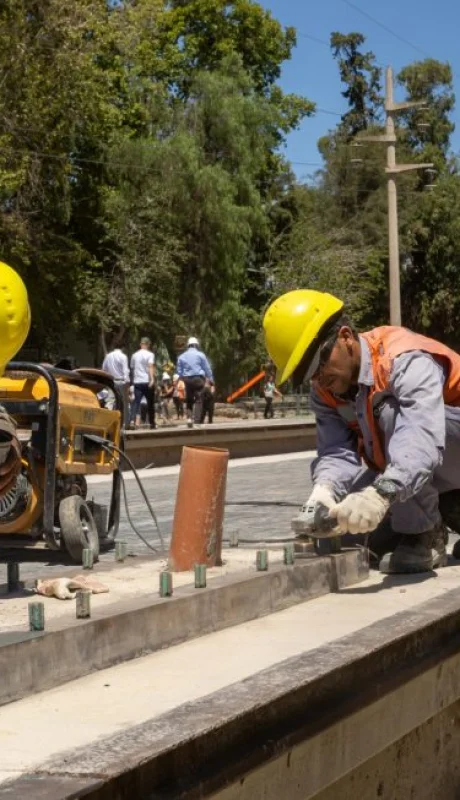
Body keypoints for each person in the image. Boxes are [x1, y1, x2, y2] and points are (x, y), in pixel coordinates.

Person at [263, 288, 460, 575]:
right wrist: (324, 491)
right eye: (308, 375)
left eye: (319, 364)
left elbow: (421, 436)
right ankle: (441, 514)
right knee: (346, 533)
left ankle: (424, 535)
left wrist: (381, 494)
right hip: (428, 468)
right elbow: (336, 452)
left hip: (437, 447)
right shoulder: (326, 390)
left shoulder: (402, 359)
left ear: (345, 337)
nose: (319, 379)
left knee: (390, 413)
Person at [176, 336, 213, 427]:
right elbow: (207, 368)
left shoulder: (181, 356)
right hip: (198, 379)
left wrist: (181, 379)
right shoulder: (200, 355)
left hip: (187, 379)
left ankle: (189, 419)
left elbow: (179, 371)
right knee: (199, 399)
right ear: (196, 345)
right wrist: (211, 379)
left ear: (188, 345)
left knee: (189, 399)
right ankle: (196, 421)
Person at [129, 337, 156, 429]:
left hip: (137, 382)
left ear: (141, 344)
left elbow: (132, 368)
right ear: (148, 345)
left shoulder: (134, 355)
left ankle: (132, 421)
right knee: (150, 402)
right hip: (147, 381)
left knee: (136, 402)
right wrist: (152, 379)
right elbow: (150, 366)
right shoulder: (150, 354)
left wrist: (133, 380)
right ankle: (152, 423)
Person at [102, 345, 130, 427]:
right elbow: (125, 371)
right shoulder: (123, 356)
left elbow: (104, 369)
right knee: (124, 403)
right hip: (121, 381)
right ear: (123, 348)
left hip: (110, 381)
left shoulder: (108, 356)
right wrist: (127, 384)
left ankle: (106, 421)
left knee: (110, 401)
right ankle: (125, 423)